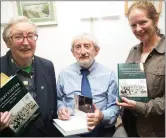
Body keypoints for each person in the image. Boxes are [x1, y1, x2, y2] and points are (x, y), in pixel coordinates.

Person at [0, 16, 62, 137]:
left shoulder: (47, 66)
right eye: (18, 37)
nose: (26, 42)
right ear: (7, 42)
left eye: (30, 35)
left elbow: (52, 107)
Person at [116, 0, 165, 137]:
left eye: (143, 22)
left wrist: (138, 106)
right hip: (130, 125)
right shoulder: (134, 50)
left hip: (155, 131)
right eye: (133, 25)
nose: (138, 29)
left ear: (155, 20)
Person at [57, 33, 119, 137]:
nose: (82, 52)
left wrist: (102, 116)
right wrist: (61, 109)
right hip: (72, 131)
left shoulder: (109, 74)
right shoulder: (64, 74)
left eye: (87, 46)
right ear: (73, 52)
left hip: (101, 131)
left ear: (96, 50)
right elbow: (58, 98)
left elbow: (114, 106)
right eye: (78, 47)